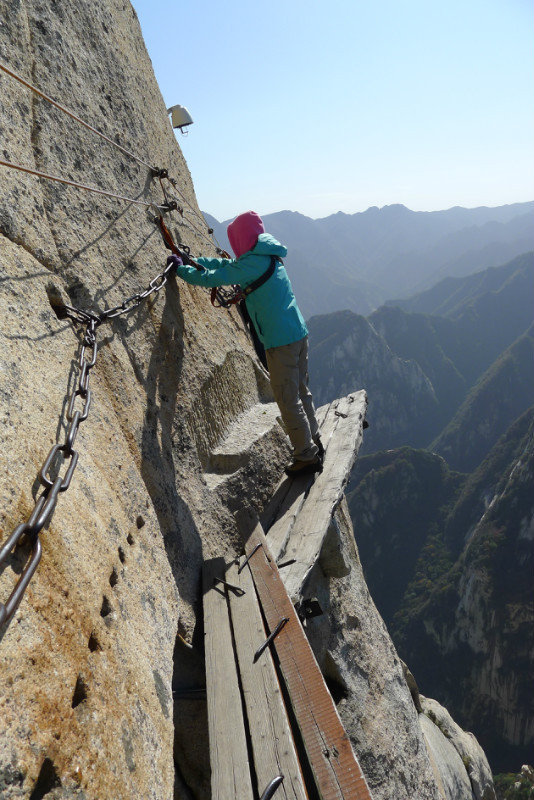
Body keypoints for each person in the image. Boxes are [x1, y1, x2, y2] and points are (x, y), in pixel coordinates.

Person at [168, 210, 323, 475]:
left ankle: (306, 455)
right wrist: (192, 260)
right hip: (298, 333)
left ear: (242, 238)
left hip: (279, 340)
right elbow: (227, 267)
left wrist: (181, 270)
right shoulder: (266, 257)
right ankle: (314, 440)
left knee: (288, 400)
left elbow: (214, 278)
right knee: (301, 391)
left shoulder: (252, 265)